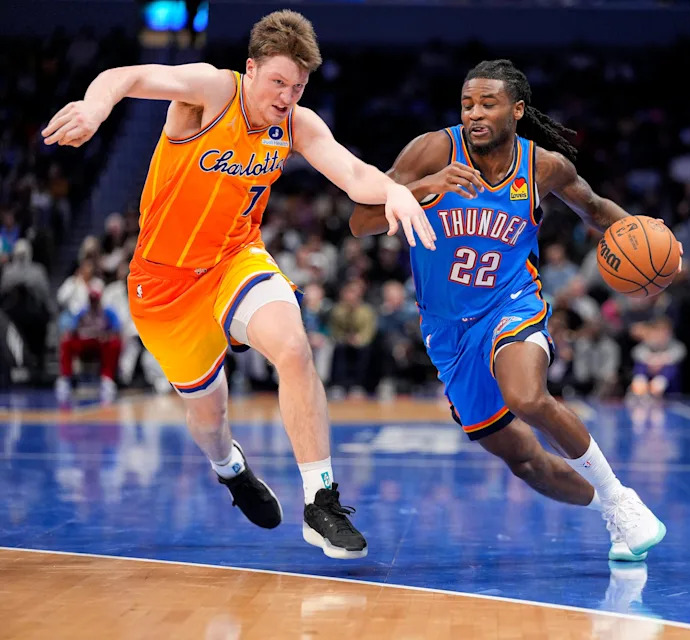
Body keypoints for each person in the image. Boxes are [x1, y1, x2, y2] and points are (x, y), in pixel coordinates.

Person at [42, 10, 435, 559]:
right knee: (209, 415)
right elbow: (125, 76)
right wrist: (94, 106)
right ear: (250, 69)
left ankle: (320, 501)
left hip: (234, 259)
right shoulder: (209, 90)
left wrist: (392, 191)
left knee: (294, 348)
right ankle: (231, 468)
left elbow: (351, 172)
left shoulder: (297, 124)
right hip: (163, 283)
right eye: (278, 82)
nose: (287, 96)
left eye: (297, 87)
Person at [350, 59, 675, 562]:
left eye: (488, 103)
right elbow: (360, 221)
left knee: (525, 395)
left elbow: (594, 208)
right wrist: (422, 187)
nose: (474, 113)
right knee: (527, 462)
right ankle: (610, 510)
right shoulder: (432, 150)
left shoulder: (543, 166)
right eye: (467, 104)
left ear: (517, 110)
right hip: (447, 332)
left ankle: (620, 499)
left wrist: (652, 243)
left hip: (512, 303)